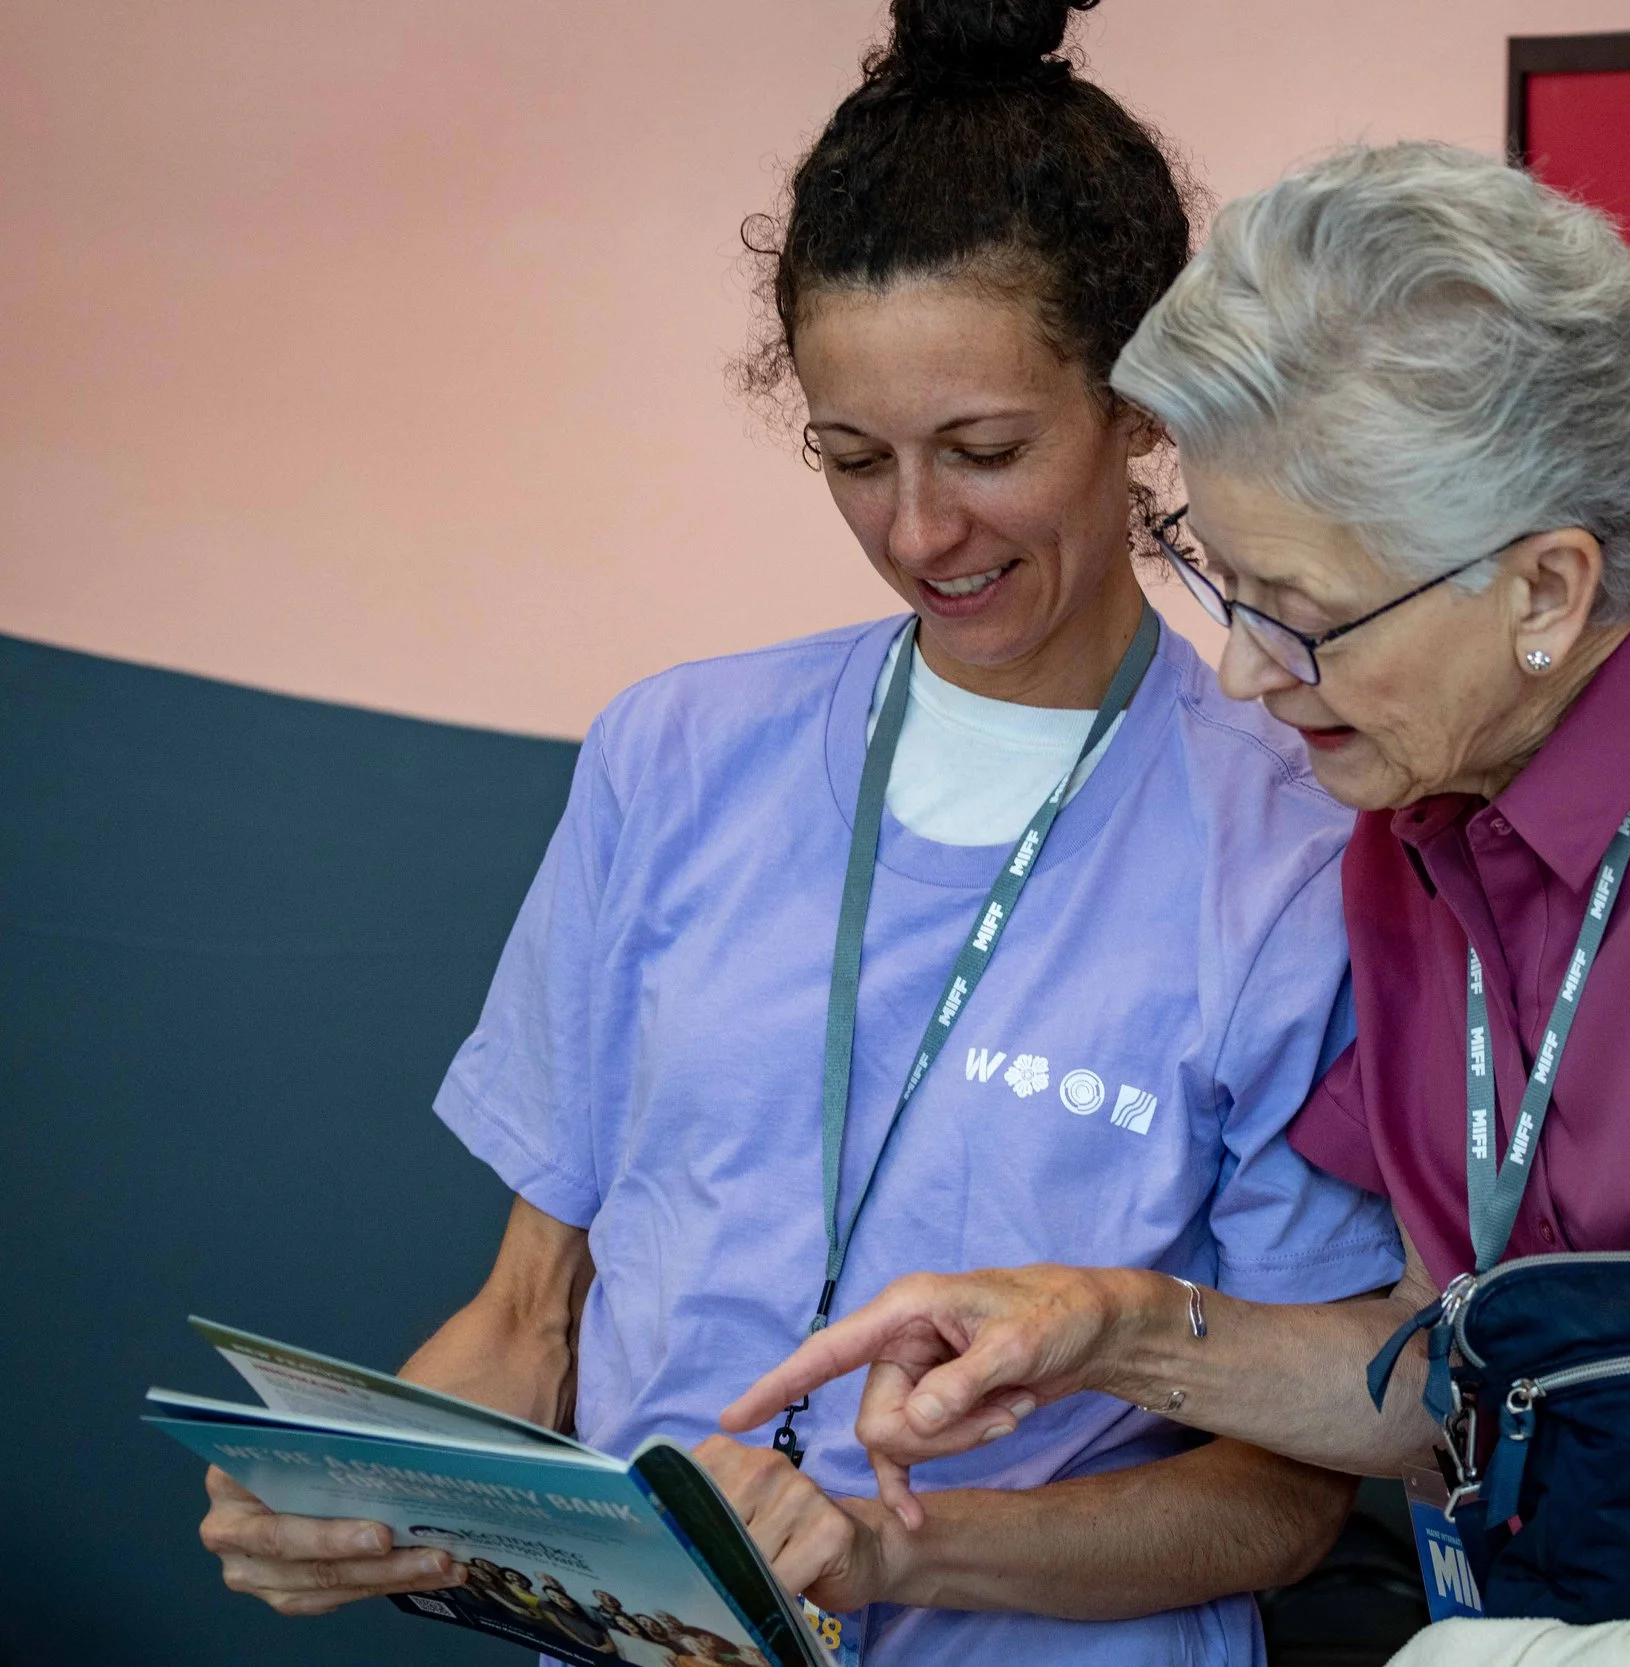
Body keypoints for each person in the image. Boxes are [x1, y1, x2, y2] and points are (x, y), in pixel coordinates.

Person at [729, 141, 1630, 1667]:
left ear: (1544, 590)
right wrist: (1116, 1329)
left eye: (1303, 617)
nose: (1241, 672)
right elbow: (1446, 1372)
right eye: (1218, 583)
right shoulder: (1420, 804)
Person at [193, 4, 1407, 1662]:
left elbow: (1280, 1499)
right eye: (853, 459)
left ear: (1142, 407)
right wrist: (381, 1487)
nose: (919, 531)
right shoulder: (677, 757)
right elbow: (528, 1320)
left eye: (986, 451)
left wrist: (883, 1551)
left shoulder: (1289, 853)